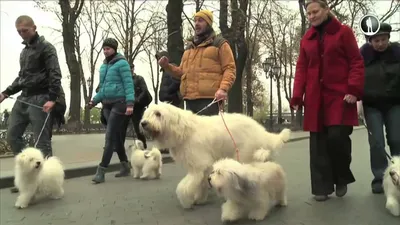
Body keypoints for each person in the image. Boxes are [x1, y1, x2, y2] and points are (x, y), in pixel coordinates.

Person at [290, 0, 364, 201]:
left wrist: (353, 89)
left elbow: (356, 62)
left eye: (315, 12)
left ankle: (341, 177)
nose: (312, 16)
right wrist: (297, 95)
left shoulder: (344, 32)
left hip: (340, 96)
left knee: (337, 137)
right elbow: (301, 68)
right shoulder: (307, 38)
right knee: (318, 143)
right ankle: (321, 188)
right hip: (315, 98)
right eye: (309, 14)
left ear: (326, 10)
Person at [0, 15, 63, 193]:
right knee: (12, 135)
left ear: (34, 28)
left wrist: (52, 98)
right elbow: (22, 77)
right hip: (23, 98)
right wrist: (6, 92)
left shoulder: (47, 48)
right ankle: (28, 178)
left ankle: (45, 181)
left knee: (41, 142)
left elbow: (55, 73)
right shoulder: (24, 51)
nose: (22, 34)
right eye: (19, 31)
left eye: (25, 30)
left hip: (42, 98)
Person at [158, 9, 236, 115]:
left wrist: (223, 89)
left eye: (200, 21)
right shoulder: (189, 48)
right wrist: (167, 66)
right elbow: (181, 72)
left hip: (210, 100)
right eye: (195, 21)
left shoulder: (220, 44)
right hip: (189, 100)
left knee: (208, 132)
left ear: (208, 23)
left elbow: (229, 68)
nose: (196, 24)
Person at [359, 23, 400, 194]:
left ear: (389, 39)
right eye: (376, 40)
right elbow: (356, 76)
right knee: (377, 143)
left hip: (394, 103)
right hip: (371, 105)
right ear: (370, 40)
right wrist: (357, 100)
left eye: (383, 40)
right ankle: (379, 178)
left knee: (397, 138)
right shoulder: (363, 54)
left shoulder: (398, 52)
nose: (380, 43)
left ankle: (398, 173)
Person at [88, 38, 135, 184]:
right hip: (106, 104)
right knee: (115, 137)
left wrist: (130, 104)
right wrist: (94, 100)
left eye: (108, 48)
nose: (105, 51)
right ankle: (125, 166)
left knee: (109, 137)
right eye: (104, 49)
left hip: (120, 103)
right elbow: (102, 88)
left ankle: (101, 170)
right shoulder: (103, 66)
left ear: (114, 49)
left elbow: (128, 84)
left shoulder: (122, 63)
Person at [120, 63, 152, 153]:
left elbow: (144, 90)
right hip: (126, 105)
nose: (129, 71)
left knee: (138, 127)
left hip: (137, 107)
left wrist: (137, 100)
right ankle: (120, 146)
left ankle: (143, 144)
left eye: (130, 68)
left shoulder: (139, 79)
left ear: (133, 69)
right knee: (122, 126)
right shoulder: (124, 80)